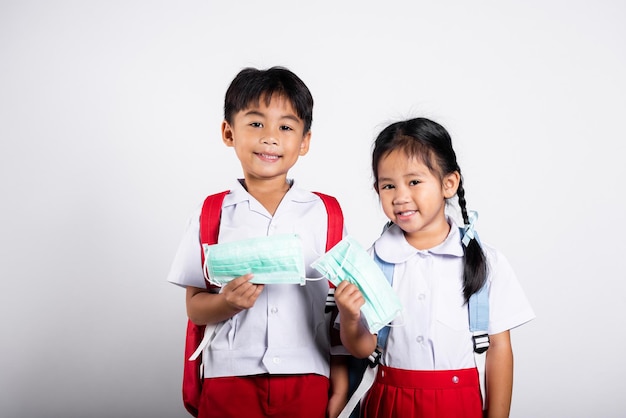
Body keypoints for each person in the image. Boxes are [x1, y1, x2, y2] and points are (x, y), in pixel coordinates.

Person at [167, 66, 348, 418]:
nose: (270, 137)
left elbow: (338, 310)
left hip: (307, 374)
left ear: (305, 141)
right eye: (255, 123)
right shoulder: (212, 212)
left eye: (285, 126)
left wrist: (340, 379)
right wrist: (227, 304)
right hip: (230, 377)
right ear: (228, 132)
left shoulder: (326, 214)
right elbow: (194, 307)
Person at [334, 117, 535, 418]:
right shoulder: (370, 262)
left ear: (448, 184)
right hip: (389, 401)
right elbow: (363, 349)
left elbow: (499, 350)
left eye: (414, 182)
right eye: (388, 185)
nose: (400, 197)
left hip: (459, 403)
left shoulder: (486, 261)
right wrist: (350, 317)